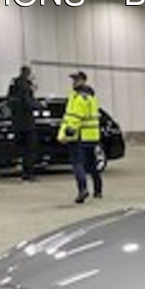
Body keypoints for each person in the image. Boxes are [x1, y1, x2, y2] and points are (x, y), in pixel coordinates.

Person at [57, 71, 102, 204]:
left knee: (77, 164)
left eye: (76, 80)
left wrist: (68, 132)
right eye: (73, 80)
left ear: (83, 81)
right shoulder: (91, 97)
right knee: (92, 164)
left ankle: (83, 189)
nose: (74, 83)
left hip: (79, 135)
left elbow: (75, 117)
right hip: (91, 136)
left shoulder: (78, 97)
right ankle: (98, 189)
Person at [8, 65, 37, 180]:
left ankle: (24, 172)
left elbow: (9, 101)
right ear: (28, 73)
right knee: (30, 150)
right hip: (27, 123)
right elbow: (28, 102)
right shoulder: (25, 86)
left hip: (16, 123)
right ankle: (29, 173)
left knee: (23, 150)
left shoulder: (13, 85)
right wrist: (38, 106)